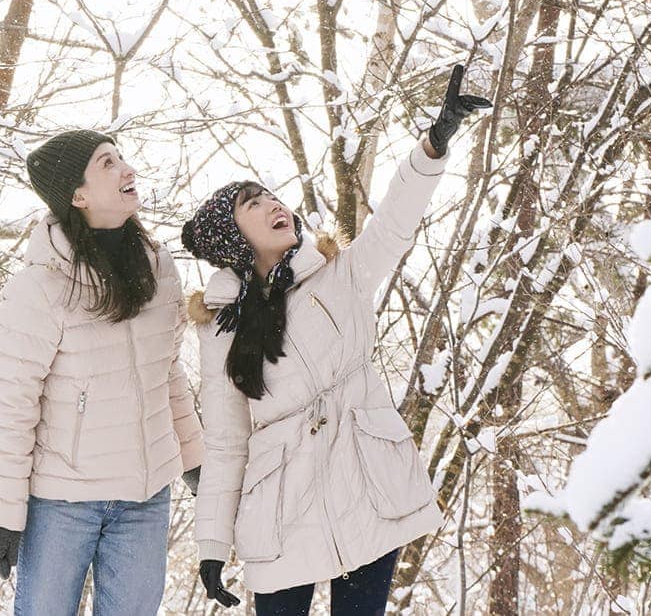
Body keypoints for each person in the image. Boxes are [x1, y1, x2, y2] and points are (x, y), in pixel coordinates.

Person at [185, 67, 490, 615]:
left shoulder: (340, 275)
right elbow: (228, 441)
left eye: (272, 195)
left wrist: (434, 142)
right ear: (235, 239)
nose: (274, 204)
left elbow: (396, 222)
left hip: (365, 480)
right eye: (253, 204)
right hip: (279, 504)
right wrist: (211, 543)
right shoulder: (221, 328)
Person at [0, 129, 206, 615]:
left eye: (121, 158)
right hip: (62, 503)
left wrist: (195, 458)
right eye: (108, 163)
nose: (127, 169)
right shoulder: (39, 286)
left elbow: (167, 374)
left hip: (145, 498)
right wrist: (4, 515)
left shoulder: (158, 266)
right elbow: (13, 404)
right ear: (77, 195)